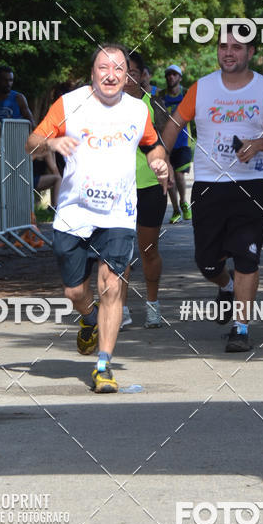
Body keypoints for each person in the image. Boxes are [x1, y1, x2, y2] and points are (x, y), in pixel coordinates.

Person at [25, 44, 168, 393]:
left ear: (127, 75)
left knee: (112, 285)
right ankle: (87, 317)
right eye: (104, 67)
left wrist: (158, 161)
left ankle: (103, 365)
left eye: (119, 69)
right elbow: (32, 141)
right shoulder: (70, 104)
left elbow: (153, 145)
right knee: (75, 290)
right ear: (93, 72)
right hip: (74, 213)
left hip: (118, 212)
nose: (111, 74)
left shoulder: (137, 109)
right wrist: (52, 145)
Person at [161, 25, 263, 352]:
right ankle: (223, 286)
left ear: (250, 53)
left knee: (247, 256)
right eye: (224, 45)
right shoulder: (202, 88)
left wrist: (261, 143)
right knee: (206, 261)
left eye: (237, 47)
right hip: (209, 185)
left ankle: (241, 328)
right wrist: (162, 160)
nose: (228, 52)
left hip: (253, 185)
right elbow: (175, 124)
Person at [120, 52, 166, 329]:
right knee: (119, 252)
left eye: (133, 73)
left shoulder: (153, 107)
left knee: (148, 250)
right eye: (122, 72)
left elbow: (164, 144)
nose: (126, 79)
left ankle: (152, 304)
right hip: (117, 188)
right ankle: (120, 307)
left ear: (143, 76)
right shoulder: (106, 107)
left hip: (148, 186)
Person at [0, 65, 61, 206]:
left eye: (10, 80)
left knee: (16, 178)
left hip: (16, 145)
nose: (8, 83)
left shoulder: (18, 98)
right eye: (4, 80)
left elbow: (31, 121)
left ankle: (27, 211)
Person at [155, 64, 192, 223]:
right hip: (166, 143)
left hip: (183, 142)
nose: (171, 77)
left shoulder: (187, 94)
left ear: (180, 78)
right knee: (169, 178)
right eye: (168, 75)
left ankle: (184, 202)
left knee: (178, 175)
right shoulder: (161, 96)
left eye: (174, 75)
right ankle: (176, 210)